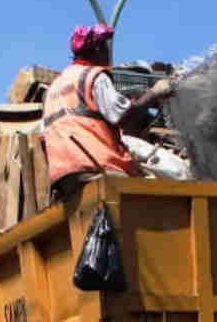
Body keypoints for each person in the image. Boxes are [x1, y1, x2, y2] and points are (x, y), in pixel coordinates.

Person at [41, 24, 175, 202]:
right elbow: (123, 115)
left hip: (62, 175)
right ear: (97, 49)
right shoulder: (93, 76)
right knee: (156, 197)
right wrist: (155, 93)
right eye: (105, 48)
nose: (108, 55)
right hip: (93, 164)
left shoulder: (54, 87)